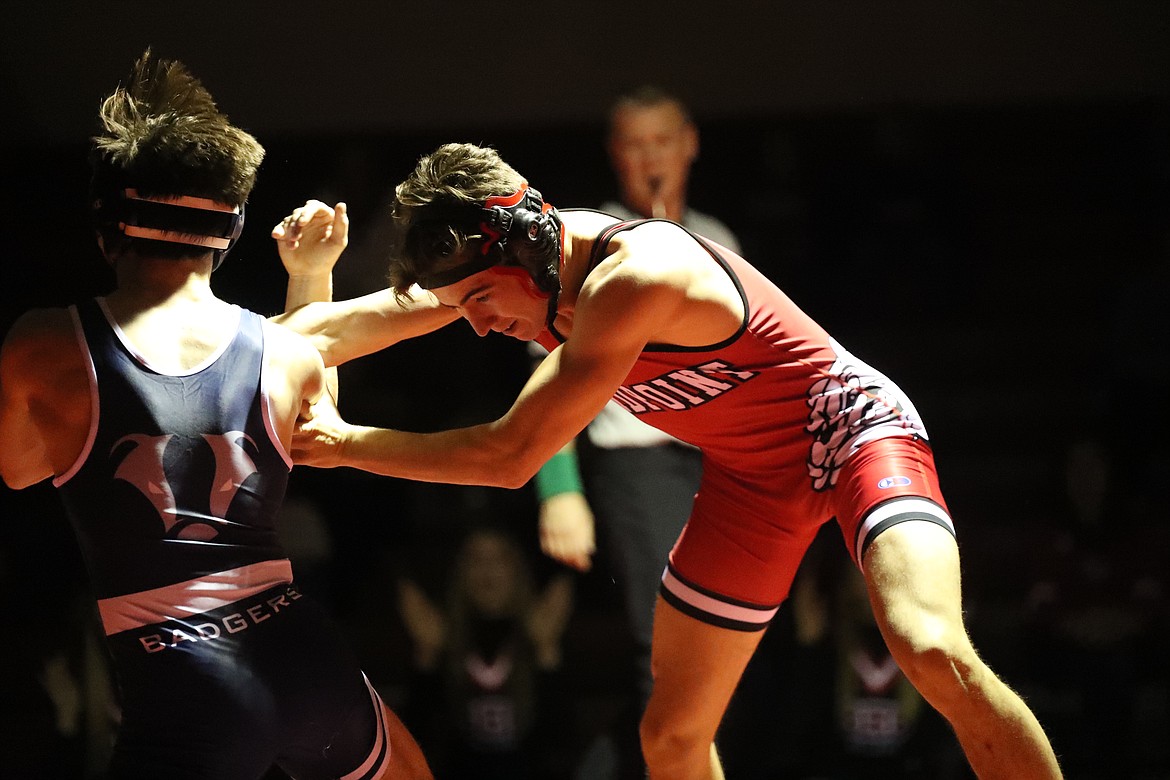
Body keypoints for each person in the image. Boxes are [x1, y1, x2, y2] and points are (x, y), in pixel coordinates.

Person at [278, 142, 1063, 779]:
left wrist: (342, 445)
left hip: (852, 431)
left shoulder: (637, 275)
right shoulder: (516, 272)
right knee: (673, 738)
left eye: (479, 301)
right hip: (751, 480)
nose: (478, 328)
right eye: (460, 311)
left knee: (927, 647)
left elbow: (510, 454)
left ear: (525, 246)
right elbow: (325, 337)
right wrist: (307, 278)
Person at [0, 51, 432, 779]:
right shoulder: (283, 353)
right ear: (228, 231)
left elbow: (19, 470)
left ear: (108, 226)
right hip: (299, 652)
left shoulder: (45, 345)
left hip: (178, 677)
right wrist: (309, 277)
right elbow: (313, 437)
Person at [531, 85, 739, 775]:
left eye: (663, 140)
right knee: (672, 649)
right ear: (615, 154)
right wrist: (560, 488)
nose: (651, 157)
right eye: (635, 143)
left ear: (691, 144)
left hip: (718, 463)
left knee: (721, 647)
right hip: (639, 463)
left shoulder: (718, 238)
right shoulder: (595, 240)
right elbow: (551, 373)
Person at [397, 524, 575, 779]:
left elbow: (561, 747)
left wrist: (548, 656)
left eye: (499, 557)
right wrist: (426, 657)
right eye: (475, 559)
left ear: (518, 568)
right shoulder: (443, 636)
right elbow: (421, 743)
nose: (487, 569)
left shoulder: (537, 631)